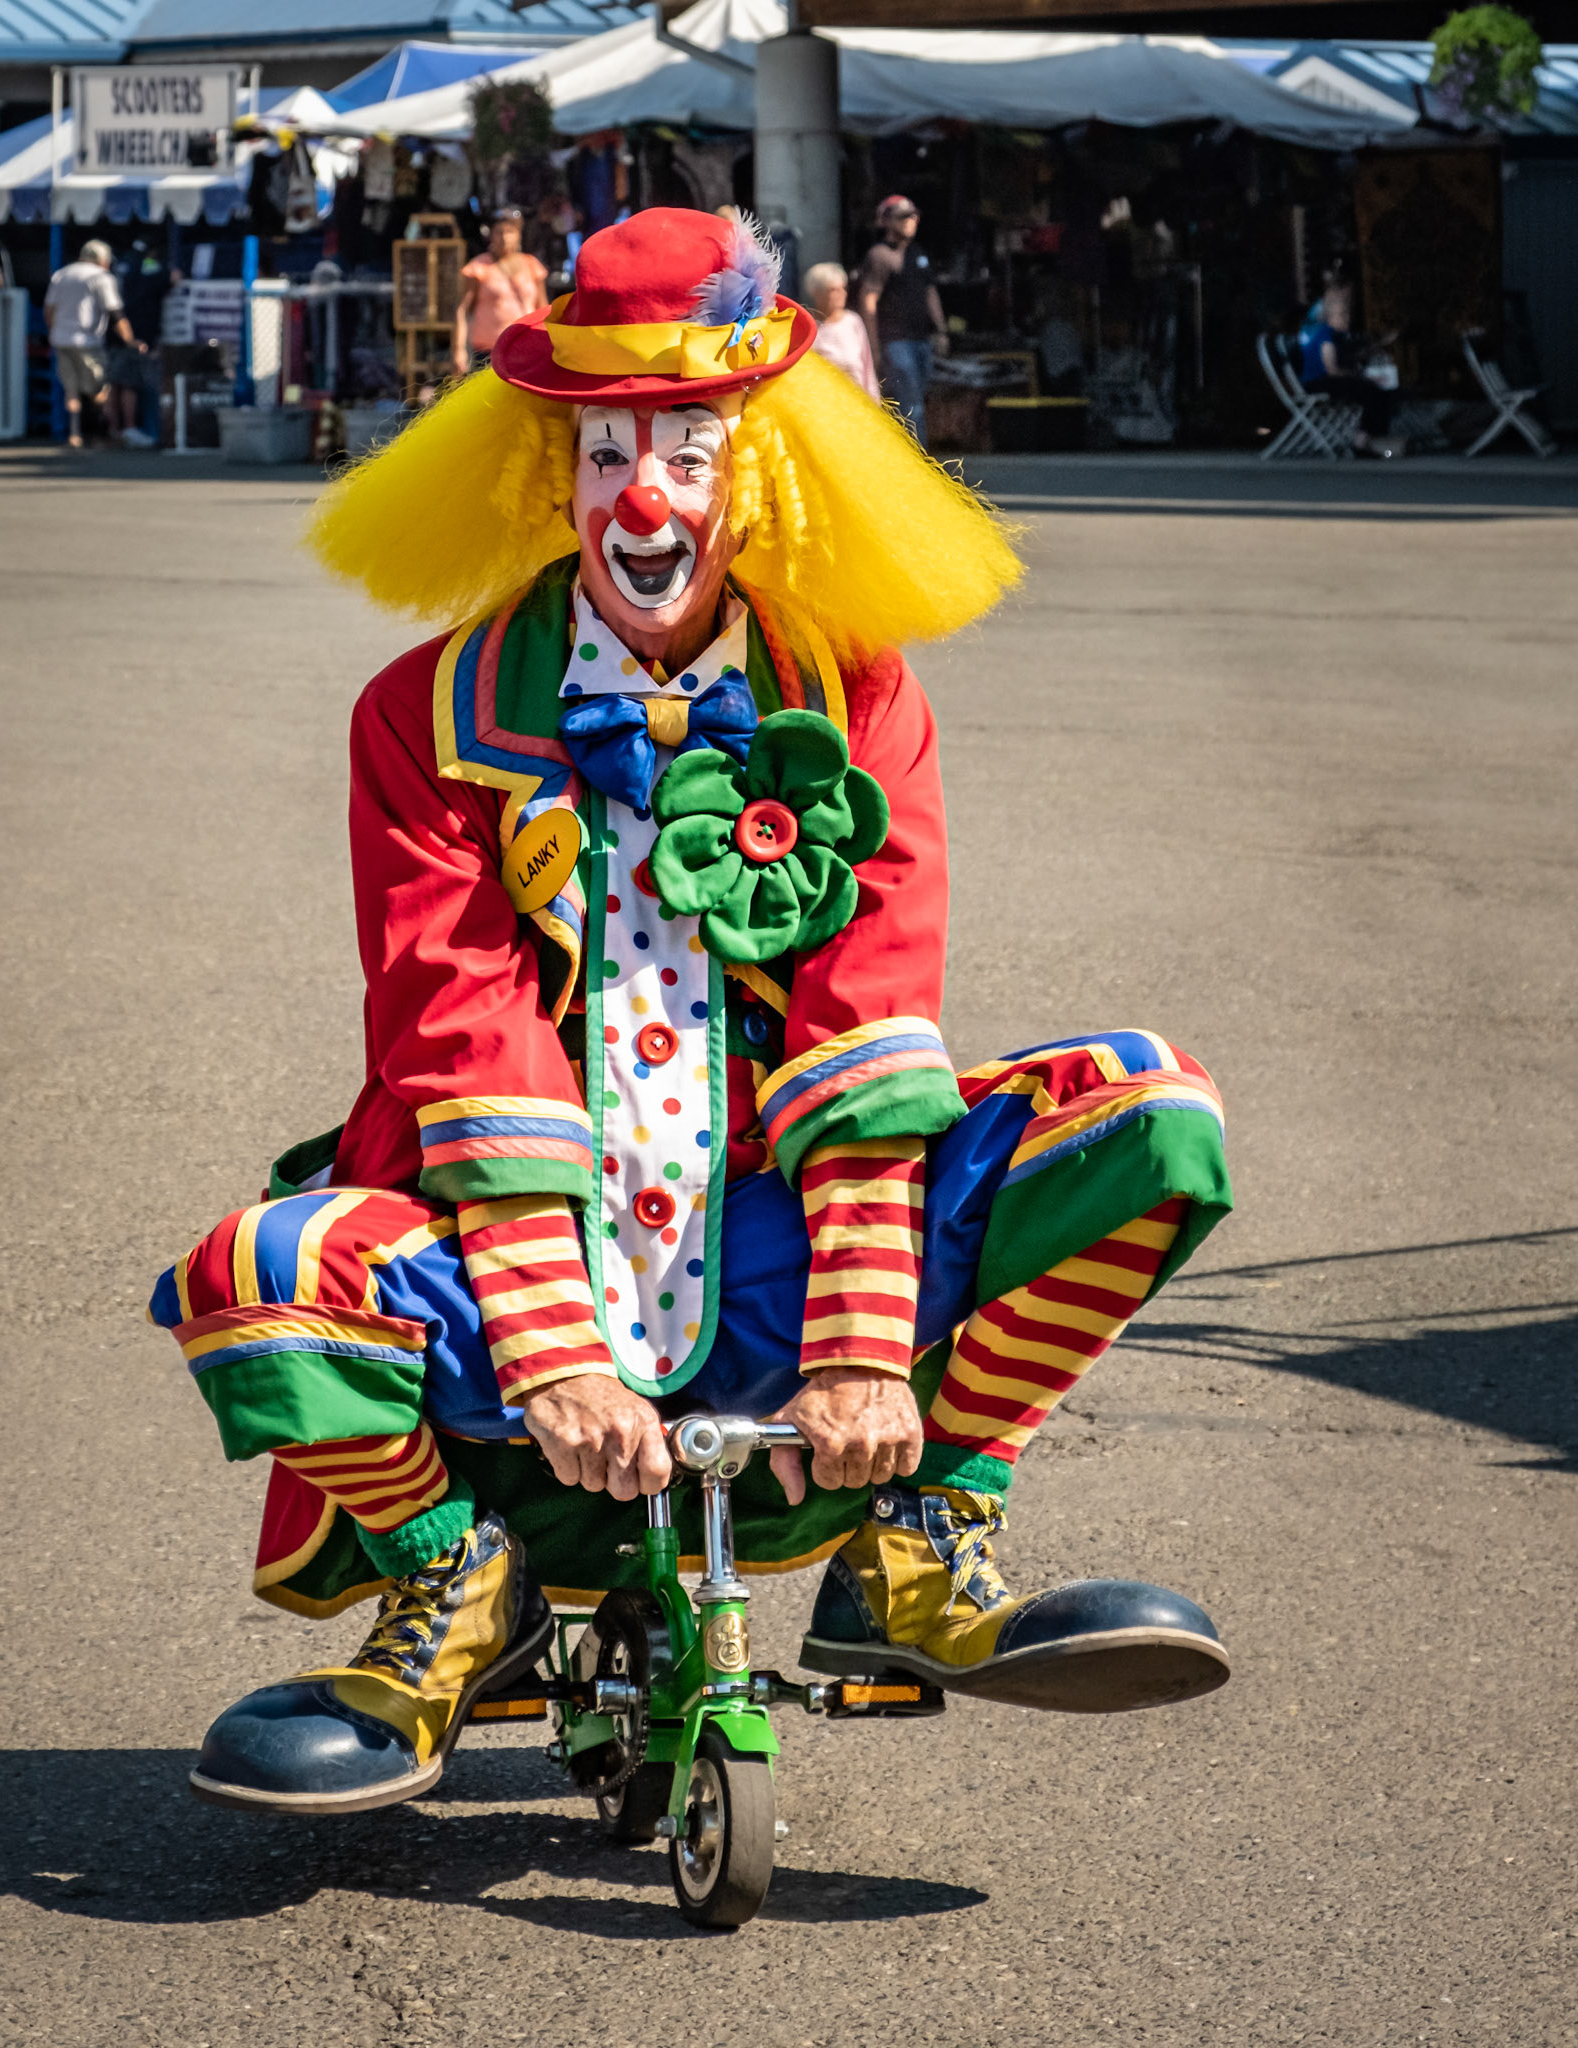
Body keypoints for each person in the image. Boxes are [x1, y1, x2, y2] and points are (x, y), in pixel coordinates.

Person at [150, 208, 1233, 1815]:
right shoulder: (423, 717)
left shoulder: (859, 695)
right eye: (601, 456)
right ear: (548, 477)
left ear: (764, 478)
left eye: (685, 451)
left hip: (778, 1253)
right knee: (256, 1280)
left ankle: (920, 1529)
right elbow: (464, 1032)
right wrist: (554, 1351)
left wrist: (866, 1353)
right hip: (516, 1280)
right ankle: (462, 1582)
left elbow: (868, 1035)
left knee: (1152, 1118)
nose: (639, 500)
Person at [856, 196, 949, 445]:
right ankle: (918, 463)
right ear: (886, 221)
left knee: (916, 401)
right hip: (896, 341)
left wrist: (941, 331)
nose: (911, 221)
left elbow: (930, 292)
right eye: (903, 216)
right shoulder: (880, 255)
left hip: (921, 340)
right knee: (911, 405)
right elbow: (869, 301)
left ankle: (909, 456)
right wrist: (873, 348)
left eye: (914, 215)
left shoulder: (918, 253)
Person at [43, 239, 134, 450]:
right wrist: (130, 339)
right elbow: (115, 311)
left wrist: (54, 330)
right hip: (87, 340)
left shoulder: (62, 274)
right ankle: (102, 433)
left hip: (61, 339)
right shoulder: (100, 277)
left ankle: (75, 435)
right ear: (102, 260)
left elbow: (49, 311)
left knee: (71, 389)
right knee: (100, 388)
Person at [1298, 282, 1404, 459]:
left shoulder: (1332, 335)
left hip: (1324, 380)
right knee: (1369, 390)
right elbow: (1331, 369)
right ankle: (1364, 440)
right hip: (1318, 382)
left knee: (1374, 389)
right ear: (1329, 317)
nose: (1346, 319)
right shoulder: (1325, 334)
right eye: (1341, 315)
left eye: (1347, 314)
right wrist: (1357, 377)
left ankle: (1372, 439)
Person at [452, 207, 549, 379]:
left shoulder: (532, 265)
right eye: (499, 232)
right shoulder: (478, 267)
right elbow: (462, 311)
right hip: (488, 353)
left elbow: (544, 311)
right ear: (492, 235)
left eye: (510, 232)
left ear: (519, 234)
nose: (504, 237)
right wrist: (459, 351)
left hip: (525, 352)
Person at [109, 238, 176, 449]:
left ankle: (115, 430)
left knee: (115, 383)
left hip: (113, 335)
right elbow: (173, 277)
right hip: (136, 337)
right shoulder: (151, 265)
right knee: (129, 384)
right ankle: (129, 429)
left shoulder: (119, 266)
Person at [805, 260, 879, 400]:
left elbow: (867, 367)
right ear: (817, 293)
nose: (842, 293)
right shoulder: (809, 327)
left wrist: (875, 402)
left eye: (843, 288)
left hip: (858, 402)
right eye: (834, 290)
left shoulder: (853, 322)